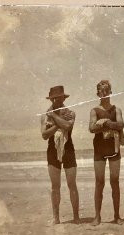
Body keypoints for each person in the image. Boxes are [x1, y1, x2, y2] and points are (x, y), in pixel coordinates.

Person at [40, 85, 80, 225]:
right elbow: (44, 135)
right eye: (54, 98)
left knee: (71, 184)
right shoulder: (46, 115)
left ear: (64, 97)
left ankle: (76, 217)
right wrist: (58, 124)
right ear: (51, 99)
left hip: (68, 149)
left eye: (59, 97)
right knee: (55, 186)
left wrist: (54, 118)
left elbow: (68, 127)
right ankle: (56, 218)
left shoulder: (70, 112)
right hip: (52, 150)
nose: (56, 100)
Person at [89, 80, 124, 225]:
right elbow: (91, 128)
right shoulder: (94, 110)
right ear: (98, 93)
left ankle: (117, 216)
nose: (104, 93)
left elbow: (121, 124)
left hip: (114, 147)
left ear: (111, 92)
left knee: (115, 182)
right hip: (99, 149)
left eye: (106, 90)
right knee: (99, 182)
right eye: (101, 91)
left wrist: (104, 123)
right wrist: (110, 125)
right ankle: (97, 216)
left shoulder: (116, 110)